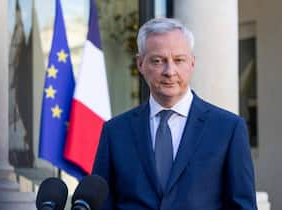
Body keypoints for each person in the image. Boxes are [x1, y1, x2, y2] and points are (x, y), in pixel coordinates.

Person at [92, 17, 257, 210]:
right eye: (158, 61)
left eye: (179, 60)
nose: (170, 71)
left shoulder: (228, 129)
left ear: (192, 63)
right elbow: (101, 205)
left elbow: (243, 206)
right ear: (140, 64)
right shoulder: (115, 132)